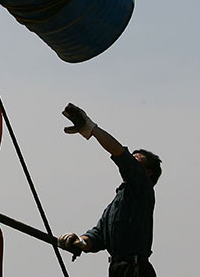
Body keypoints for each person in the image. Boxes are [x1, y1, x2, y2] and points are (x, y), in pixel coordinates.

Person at [57, 103, 161, 277]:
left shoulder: (143, 188)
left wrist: (92, 129)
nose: (131, 163)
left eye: (136, 161)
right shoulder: (117, 205)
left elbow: (121, 156)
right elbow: (99, 236)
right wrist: (80, 241)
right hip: (118, 270)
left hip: (136, 269)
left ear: (148, 172)